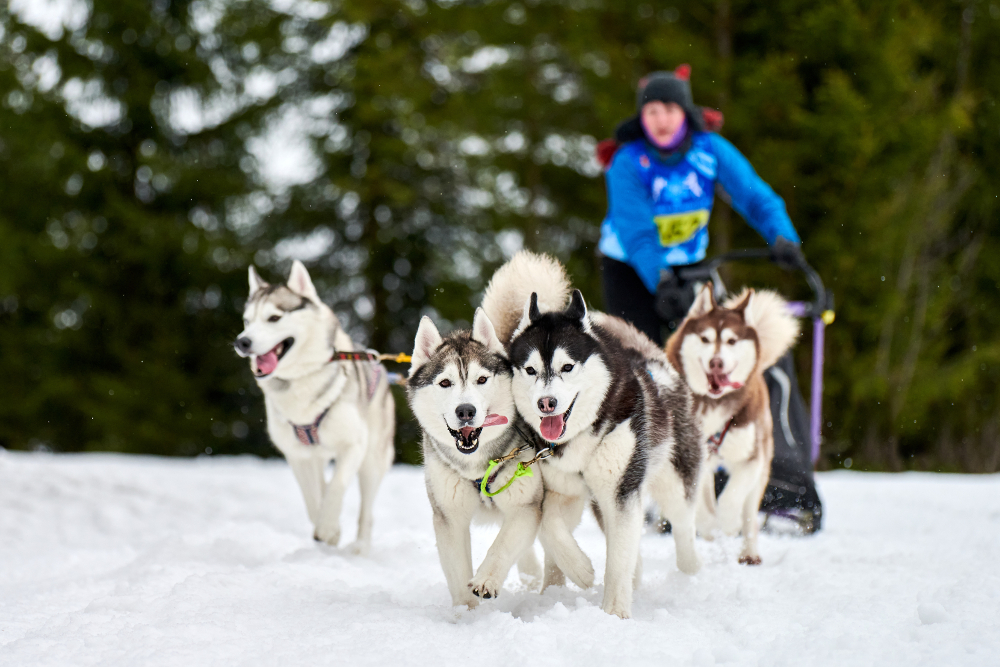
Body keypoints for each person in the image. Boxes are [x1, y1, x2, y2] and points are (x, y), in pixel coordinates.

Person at [597, 65, 804, 345]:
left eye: (669, 110)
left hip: (689, 264)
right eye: (652, 111)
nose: (662, 121)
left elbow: (755, 197)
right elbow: (636, 232)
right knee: (641, 358)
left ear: (685, 112)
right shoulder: (628, 162)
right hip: (630, 267)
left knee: (712, 349)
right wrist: (660, 280)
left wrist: (784, 238)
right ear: (641, 118)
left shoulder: (710, 150)